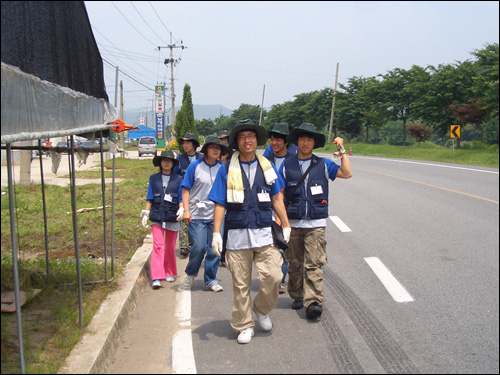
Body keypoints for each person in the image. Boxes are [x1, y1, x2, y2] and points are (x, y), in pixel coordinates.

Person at [209, 119, 291, 344]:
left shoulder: (267, 166)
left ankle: (261, 309)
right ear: (237, 142)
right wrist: (216, 233)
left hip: (264, 234)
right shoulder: (226, 169)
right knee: (241, 285)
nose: (247, 141)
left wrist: (285, 224)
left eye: (251, 136)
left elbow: (276, 197)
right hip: (236, 236)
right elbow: (220, 203)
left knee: (274, 276)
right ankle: (244, 324)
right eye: (243, 137)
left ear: (257, 141)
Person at [278, 123, 352, 319]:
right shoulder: (287, 165)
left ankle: (313, 302)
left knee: (313, 264)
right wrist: (280, 218)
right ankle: (297, 295)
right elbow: (280, 192)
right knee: (294, 264)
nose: (305, 142)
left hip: (315, 225)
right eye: (302, 138)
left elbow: (347, 173)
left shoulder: (323, 164)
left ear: (314, 143)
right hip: (292, 224)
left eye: (309, 139)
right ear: (297, 141)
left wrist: (341, 150)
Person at [180, 136, 228, 292]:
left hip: (216, 215)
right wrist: (186, 210)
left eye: (218, 148)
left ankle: (211, 279)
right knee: (199, 247)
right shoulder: (195, 166)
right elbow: (186, 188)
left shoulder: (223, 167)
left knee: (215, 249)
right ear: (206, 150)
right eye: (212, 147)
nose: (216, 150)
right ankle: (190, 274)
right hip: (197, 214)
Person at [141, 151, 184, 289]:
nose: (167, 163)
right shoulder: (154, 178)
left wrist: (182, 208)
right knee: (158, 245)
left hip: (172, 215)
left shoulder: (178, 179)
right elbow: (150, 197)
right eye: (164, 160)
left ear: (173, 164)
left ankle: (169, 272)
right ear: (160, 163)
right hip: (157, 215)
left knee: (170, 247)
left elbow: (181, 197)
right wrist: (146, 212)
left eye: (169, 161)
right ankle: (157, 277)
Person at [265, 122, 295, 294]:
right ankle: (274, 277)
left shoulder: (293, 161)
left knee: (284, 245)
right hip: (268, 207)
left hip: (287, 208)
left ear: (286, 142)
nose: (274, 143)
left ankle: (281, 280)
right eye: (272, 140)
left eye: (278, 140)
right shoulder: (266, 161)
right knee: (270, 247)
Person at [175, 133, 203, 258]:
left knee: (197, 218)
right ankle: (184, 245)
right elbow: (175, 178)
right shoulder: (179, 160)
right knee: (184, 218)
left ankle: (196, 242)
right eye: (183, 143)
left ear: (194, 145)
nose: (185, 145)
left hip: (199, 193)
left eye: (188, 143)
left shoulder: (201, 158)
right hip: (184, 192)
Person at [216, 129, 232, 267]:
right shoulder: (217, 164)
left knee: (227, 230)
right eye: (221, 139)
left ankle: (225, 255)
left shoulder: (232, 160)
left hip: (232, 200)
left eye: (225, 139)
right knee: (219, 230)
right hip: (219, 202)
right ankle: (220, 254)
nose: (223, 141)